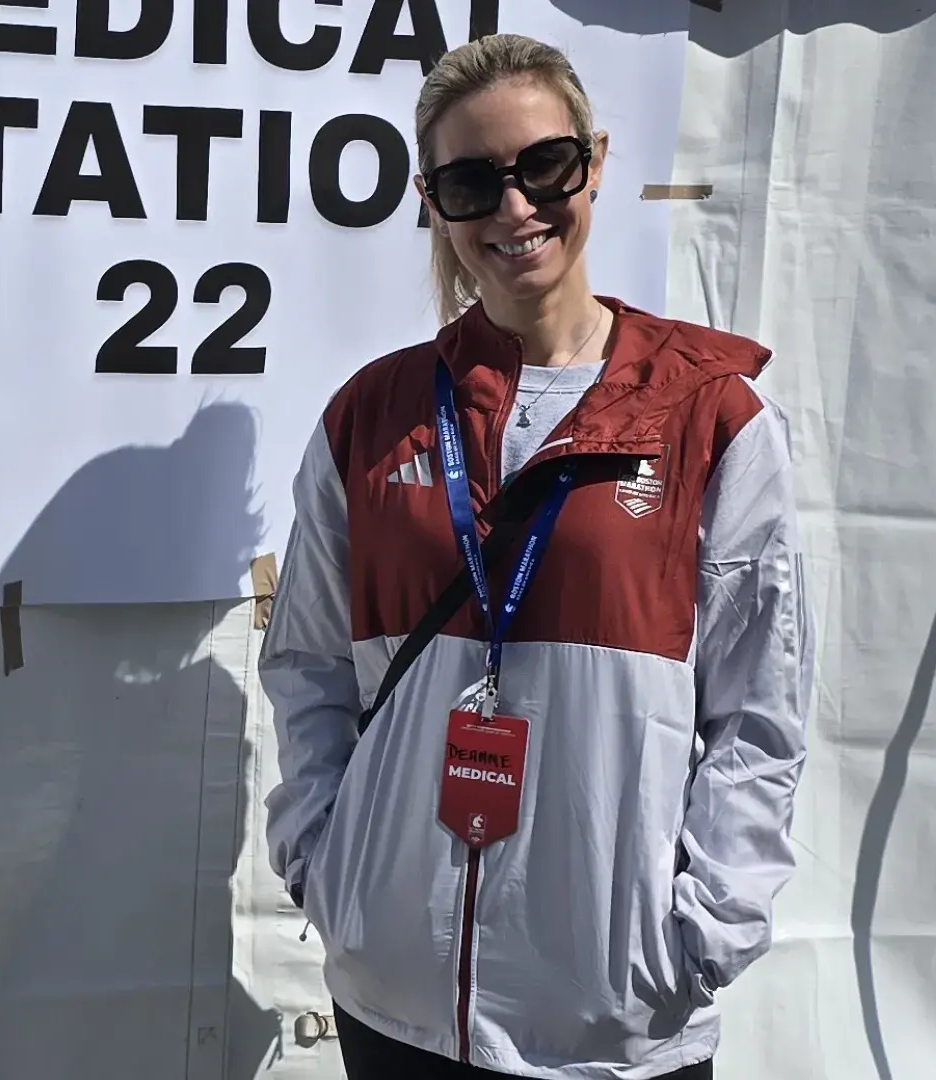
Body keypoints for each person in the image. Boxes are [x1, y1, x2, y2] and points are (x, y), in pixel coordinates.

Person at [261, 33, 815, 1080]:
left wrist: (701, 932)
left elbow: (760, 710)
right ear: (433, 201)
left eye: (543, 167)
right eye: (473, 182)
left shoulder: (710, 415)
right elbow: (307, 667)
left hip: (610, 1020)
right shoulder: (373, 419)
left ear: (595, 161)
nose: (515, 209)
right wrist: (326, 868)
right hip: (397, 1002)